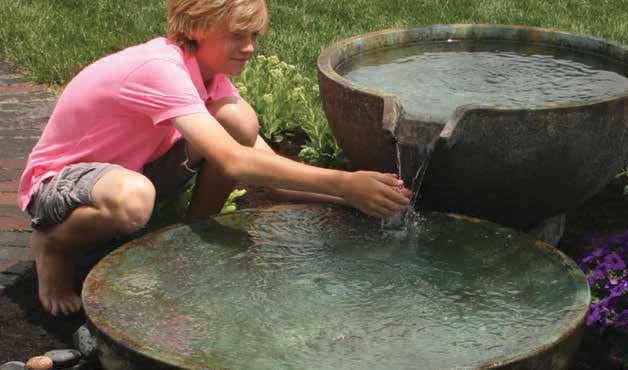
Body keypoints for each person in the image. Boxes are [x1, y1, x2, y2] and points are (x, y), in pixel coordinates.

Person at [17, 0, 411, 316]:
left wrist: (357, 196)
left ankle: (192, 237)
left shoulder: (209, 75)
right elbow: (235, 163)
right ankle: (53, 245)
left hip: (125, 175)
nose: (251, 47)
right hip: (59, 185)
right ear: (196, 27)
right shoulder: (158, 69)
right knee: (133, 199)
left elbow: (268, 172)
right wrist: (345, 181)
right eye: (238, 35)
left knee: (239, 121)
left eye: (255, 35)